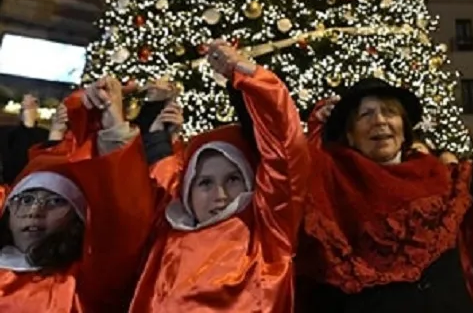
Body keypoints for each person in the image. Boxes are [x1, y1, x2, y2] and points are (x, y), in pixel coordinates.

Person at [297, 77, 473, 310]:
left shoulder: (438, 177)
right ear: (350, 135)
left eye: (389, 112)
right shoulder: (331, 184)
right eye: (366, 114)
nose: (379, 120)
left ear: (404, 130)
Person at [128, 41, 310, 313]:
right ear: (187, 192)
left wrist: (247, 77)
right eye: (205, 183)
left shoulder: (268, 234)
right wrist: (156, 139)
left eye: (233, 179)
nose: (220, 195)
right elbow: (158, 182)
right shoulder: (169, 231)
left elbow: (285, 149)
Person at [0, 76, 156, 312]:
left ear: (78, 218)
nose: (35, 212)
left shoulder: (86, 281)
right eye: (26, 199)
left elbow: (124, 220)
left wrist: (113, 129)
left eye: (54, 201)